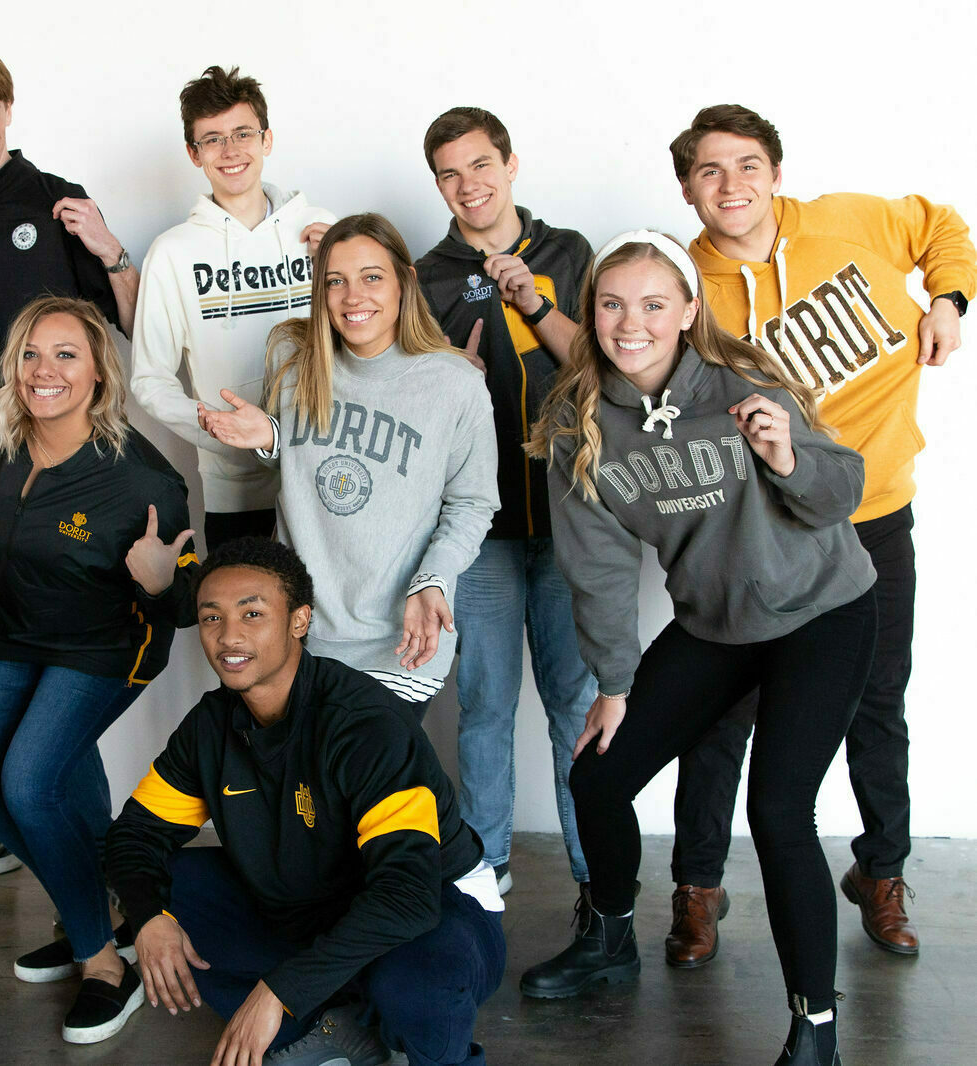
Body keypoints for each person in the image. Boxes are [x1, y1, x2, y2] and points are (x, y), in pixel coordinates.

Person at [519, 231, 877, 1066]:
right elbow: (599, 570)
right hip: (717, 626)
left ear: (687, 311)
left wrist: (786, 455)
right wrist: (615, 685)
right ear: (590, 313)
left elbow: (840, 493)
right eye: (612, 304)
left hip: (821, 613)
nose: (630, 323)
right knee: (598, 774)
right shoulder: (578, 425)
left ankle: (815, 1029)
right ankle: (610, 938)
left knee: (778, 811)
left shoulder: (745, 380)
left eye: (653, 304)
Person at [664, 104, 976, 965]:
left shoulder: (851, 221)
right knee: (722, 712)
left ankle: (881, 872)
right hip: (762, 536)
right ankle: (698, 886)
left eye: (748, 165)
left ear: (776, 172)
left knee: (878, 700)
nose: (731, 184)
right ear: (687, 188)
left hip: (873, 517)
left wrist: (948, 302)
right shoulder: (683, 285)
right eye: (709, 170)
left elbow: (943, 228)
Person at [0, 295, 198, 1045]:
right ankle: (94, 914)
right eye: (32, 354)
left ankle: (103, 963)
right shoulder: (0, 438)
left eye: (67, 354)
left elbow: (190, 601)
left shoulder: (142, 479)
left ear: (100, 373)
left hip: (105, 647)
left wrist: (162, 581)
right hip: (13, 631)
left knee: (30, 784)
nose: (45, 370)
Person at [105, 538, 506, 1066]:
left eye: (252, 614)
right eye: (211, 617)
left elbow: (406, 895)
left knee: (413, 987)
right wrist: (149, 918)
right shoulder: (209, 727)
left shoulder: (364, 725)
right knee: (167, 889)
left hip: (438, 904)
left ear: (299, 621)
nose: (229, 636)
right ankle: (335, 1023)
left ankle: (416, 1039)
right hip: (315, 902)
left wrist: (279, 990)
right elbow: (134, 836)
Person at [0, 43, 142, 891]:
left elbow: (128, 322)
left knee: (49, 658)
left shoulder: (55, 199)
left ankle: (91, 853)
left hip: (29, 466)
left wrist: (111, 247)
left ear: (8, 111)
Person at [199, 213, 498, 712]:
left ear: (405, 281)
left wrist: (434, 579)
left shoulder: (454, 384)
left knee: (364, 764)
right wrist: (271, 439)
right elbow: (307, 471)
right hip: (299, 640)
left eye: (371, 277)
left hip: (400, 645)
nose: (353, 296)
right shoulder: (294, 359)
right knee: (293, 765)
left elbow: (472, 503)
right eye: (335, 281)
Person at [414, 106, 595, 898]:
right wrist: (447, 379)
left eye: (481, 165)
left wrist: (533, 305)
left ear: (511, 164)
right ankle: (485, 871)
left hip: (572, 520)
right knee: (484, 705)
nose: (468, 186)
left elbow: (602, 365)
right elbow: (410, 403)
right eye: (449, 174)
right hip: (479, 529)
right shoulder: (425, 276)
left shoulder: (567, 252)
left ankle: (596, 870)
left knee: (575, 704)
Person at [130, 65, 335, 548]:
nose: (231, 150)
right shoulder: (172, 253)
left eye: (243, 133)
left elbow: (369, 335)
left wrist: (344, 262)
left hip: (329, 472)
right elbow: (149, 379)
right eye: (213, 139)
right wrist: (220, 431)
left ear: (267, 139)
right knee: (240, 600)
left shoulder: (322, 229)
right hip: (237, 493)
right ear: (194, 153)